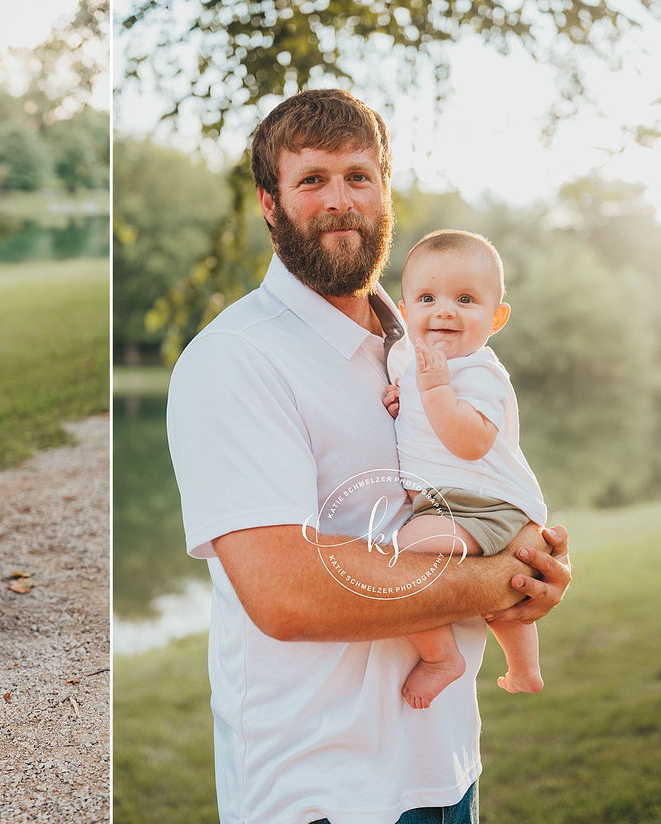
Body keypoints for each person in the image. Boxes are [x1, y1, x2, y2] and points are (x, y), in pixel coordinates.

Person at [165, 89, 571, 823]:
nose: (339, 200)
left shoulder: (428, 344)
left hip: (446, 766)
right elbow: (285, 592)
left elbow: (484, 488)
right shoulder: (233, 361)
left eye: (359, 176)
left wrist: (535, 571)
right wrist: (498, 583)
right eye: (311, 180)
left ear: (385, 189)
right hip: (322, 790)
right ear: (269, 202)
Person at [388, 230, 547, 711]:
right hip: (455, 502)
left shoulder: (479, 372)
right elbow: (420, 413)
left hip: (483, 502)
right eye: (427, 298)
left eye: (465, 299)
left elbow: (471, 441)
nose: (444, 311)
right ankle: (524, 670)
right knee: (501, 602)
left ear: (496, 317)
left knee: (401, 561)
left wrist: (433, 392)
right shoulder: (411, 359)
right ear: (405, 308)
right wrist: (404, 400)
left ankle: (441, 659)